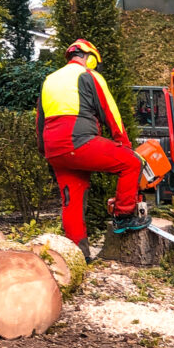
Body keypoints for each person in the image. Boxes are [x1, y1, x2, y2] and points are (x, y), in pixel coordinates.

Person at [36, 39, 146, 258]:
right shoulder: (90, 76)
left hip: (54, 150)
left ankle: (78, 256)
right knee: (132, 163)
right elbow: (111, 113)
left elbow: (40, 120)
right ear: (90, 58)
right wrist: (125, 146)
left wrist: (45, 152)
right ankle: (124, 216)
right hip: (78, 141)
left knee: (72, 201)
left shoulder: (50, 80)